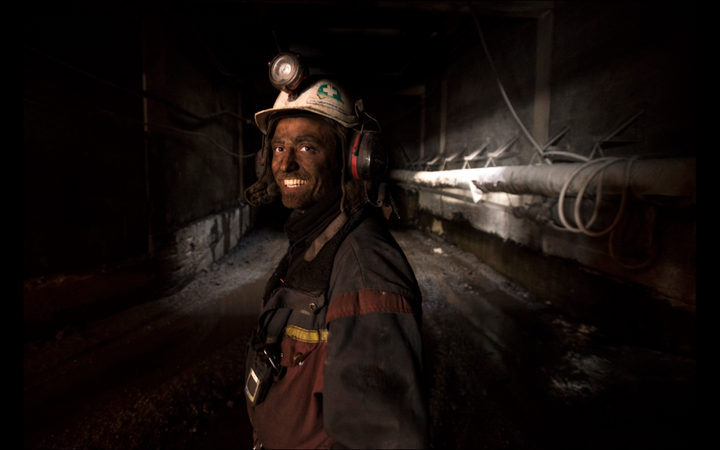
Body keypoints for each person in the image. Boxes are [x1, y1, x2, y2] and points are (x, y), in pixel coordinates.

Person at [244, 77, 428, 449]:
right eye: (278, 148)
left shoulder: (366, 268)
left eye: (307, 147)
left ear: (353, 161)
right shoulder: (313, 239)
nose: (286, 163)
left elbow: (381, 437)